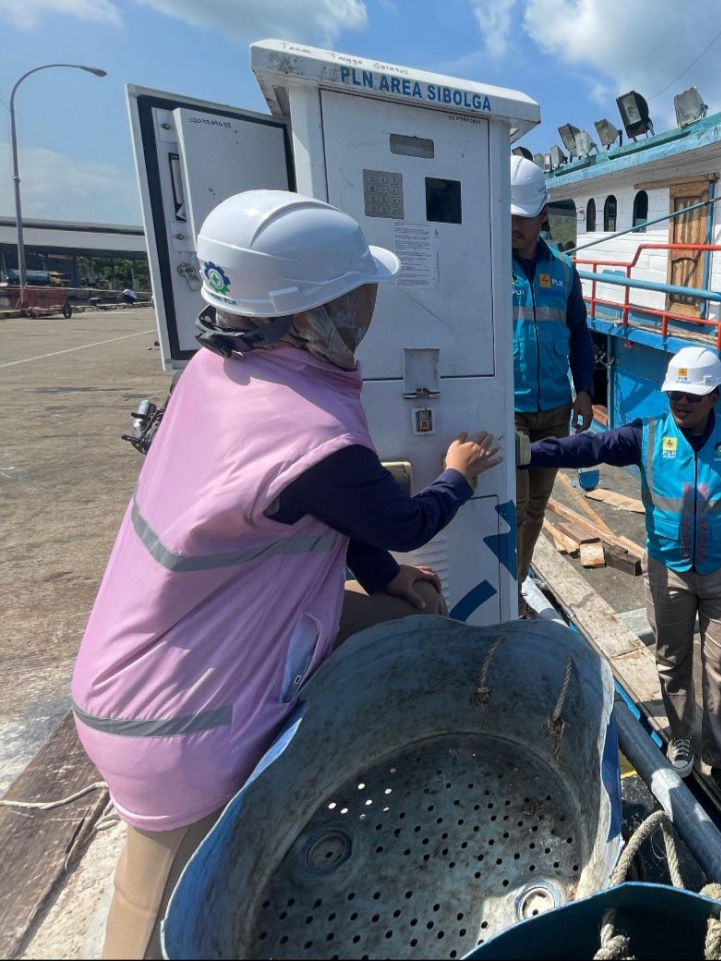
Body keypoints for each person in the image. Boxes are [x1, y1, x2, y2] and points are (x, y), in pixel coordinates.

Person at [71, 189, 502, 960]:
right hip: (175, 717)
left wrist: (385, 577)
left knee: (417, 614)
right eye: (357, 294)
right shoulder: (308, 431)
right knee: (169, 910)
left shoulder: (217, 370)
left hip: (150, 652)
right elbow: (396, 519)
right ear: (308, 317)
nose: (369, 307)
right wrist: (460, 474)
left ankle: (341, 770)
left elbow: (334, 513)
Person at [519, 346, 721, 823]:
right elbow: (588, 447)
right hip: (668, 572)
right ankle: (680, 736)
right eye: (675, 394)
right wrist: (529, 453)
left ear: (715, 395)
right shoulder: (648, 435)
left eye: (692, 396)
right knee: (671, 660)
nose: (682, 403)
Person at [510, 154, 595, 591]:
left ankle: (516, 584)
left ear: (543, 215)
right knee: (516, 505)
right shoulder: (486, 268)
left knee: (538, 505)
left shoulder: (564, 271)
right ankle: (506, 593)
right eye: (507, 216)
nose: (513, 226)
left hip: (556, 409)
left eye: (522, 218)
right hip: (511, 410)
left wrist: (584, 391)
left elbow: (579, 336)